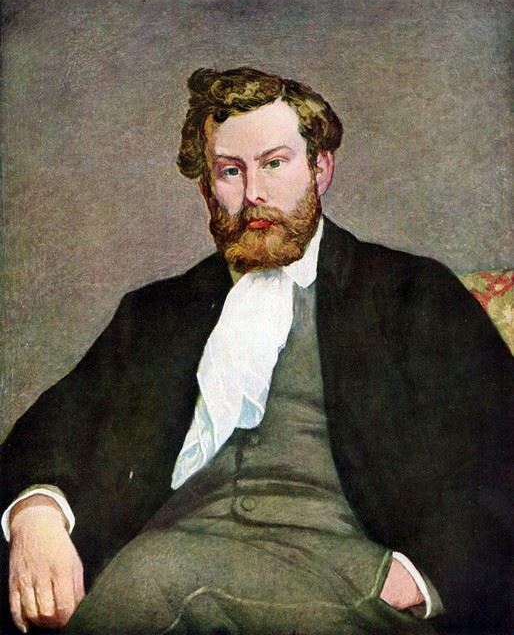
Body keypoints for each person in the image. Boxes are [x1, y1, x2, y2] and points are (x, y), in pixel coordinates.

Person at [0, 67, 512, 635]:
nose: (253, 194)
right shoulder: (157, 313)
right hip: (172, 551)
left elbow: (501, 451)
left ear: (320, 169)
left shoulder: (409, 292)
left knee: (151, 580)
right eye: (230, 171)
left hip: (346, 579)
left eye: (274, 163)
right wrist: (36, 514)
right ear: (206, 188)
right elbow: (58, 423)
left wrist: (424, 577)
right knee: (146, 577)